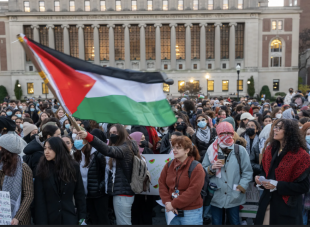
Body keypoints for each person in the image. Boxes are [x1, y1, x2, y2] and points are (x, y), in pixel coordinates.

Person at [77, 124, 139, 225]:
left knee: (123, 223)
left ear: (122, 133)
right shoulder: (122, 146)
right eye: (110, 133)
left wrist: (89, 136)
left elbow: (108, 150)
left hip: (123, 193)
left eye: (115, 133)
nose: (112, 135)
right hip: (119, 192)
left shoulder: (126, 147)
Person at [255, 119, 310, 225]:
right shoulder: (270, 149)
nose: (275, 129)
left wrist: (277, 185)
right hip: (267, 202)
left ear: (289, 132)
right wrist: (259, 178)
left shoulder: (301, 155)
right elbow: (264, 172)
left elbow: (303, 186)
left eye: (279, 128)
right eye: (275, 127)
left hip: (287, 208)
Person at [202, 122, 253, 225]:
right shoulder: (211, 150)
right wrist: (211, 168)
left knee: (234, 221)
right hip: (216, 193)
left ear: (233, 133)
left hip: (234, 194)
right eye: (223, 133)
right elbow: (202, 170)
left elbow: (247, 171)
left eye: (229, 132)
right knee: (216, 222)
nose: (226, 135)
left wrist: (241, 187)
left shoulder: (240, 150)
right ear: (218, 134)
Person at [34, 137, 86, 224]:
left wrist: (82, 218)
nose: (46, 151)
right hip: (49, 218)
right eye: (45, 148)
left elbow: (79, 194)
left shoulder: (73, 167)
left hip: (69, 217)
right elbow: (39, 200)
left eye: (50, 148)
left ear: (58, 149)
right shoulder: (41, 168)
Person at [158, 136, 205, 225]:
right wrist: (168, 202)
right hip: (171, 210)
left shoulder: (196, 167)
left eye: (178, 148)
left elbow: (193, 191)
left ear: (187, 150)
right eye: (173, 147)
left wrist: (173, 204)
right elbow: (162, 184)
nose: (174, 150)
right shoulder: (169, 164)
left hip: (191, 212)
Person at [73, 129, 109, 225]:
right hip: (86, 195)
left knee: (102, 219)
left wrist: (99, 188)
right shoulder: (77, 155)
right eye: (77, 138)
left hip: (99, 195)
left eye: (80, 138)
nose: (77, 140)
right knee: (92, 219)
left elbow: (106, 174)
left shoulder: (97, 154)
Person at [0, 132, 33, 225]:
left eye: (0, 147)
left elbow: (29, 195)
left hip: (19, 218)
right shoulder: (1, 166)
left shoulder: (24, 168)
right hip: (2, 215)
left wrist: (17, 217)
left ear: (7, 151)